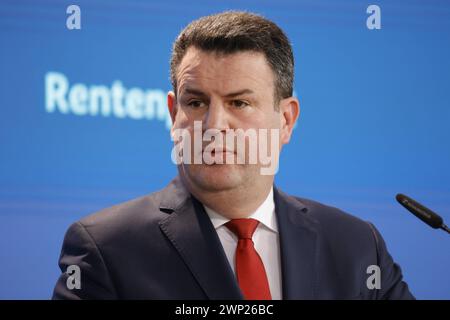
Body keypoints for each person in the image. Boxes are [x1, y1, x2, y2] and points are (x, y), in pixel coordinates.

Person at [52, 11, 414, 300]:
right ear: (173, 114)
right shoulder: (105, 249)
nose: (214, 125)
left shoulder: (357, 246)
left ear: (286, 120)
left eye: (239, 102)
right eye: (195, 103)